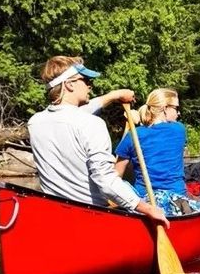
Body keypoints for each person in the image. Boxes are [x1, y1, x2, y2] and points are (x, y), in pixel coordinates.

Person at [27, 56, 169, 228]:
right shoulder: (91, 124)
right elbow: (105, 179)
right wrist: (146, 208)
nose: (90, 86)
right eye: (85, 80)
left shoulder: (35, 122)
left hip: (58, 215)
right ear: (69, 84)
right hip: (92, 216)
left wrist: (114, 96)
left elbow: (68, 114)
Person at [114, 88, 200, 216]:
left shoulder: (134, 135)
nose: (178, 114)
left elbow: (116, 175)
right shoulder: (179, 129)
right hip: (176, 197)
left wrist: (129, 124)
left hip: (143, 202)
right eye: (176, 108)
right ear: (165, 108)